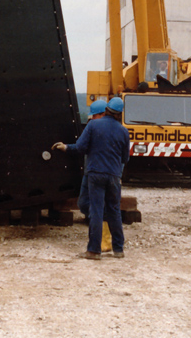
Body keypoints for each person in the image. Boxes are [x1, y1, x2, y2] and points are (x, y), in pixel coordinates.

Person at [53, 97, 130, 260]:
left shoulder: (93, 125)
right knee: (114, 210)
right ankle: (118, 249)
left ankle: (94, 251)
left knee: (96, 210)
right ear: (120, 114)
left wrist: (65, 147)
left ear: (106, 109)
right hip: (114, 175)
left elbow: (80, 148)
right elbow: (125, 158)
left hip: (96, 174)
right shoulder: (124, 131)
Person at [77, 99, 108, 220]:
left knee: (97, 204)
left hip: (98, 172)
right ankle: (96, 219)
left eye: (95, 115)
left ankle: (98, 222)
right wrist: (67, 147)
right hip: (91, 171)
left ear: (103, 114)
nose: (93, 118)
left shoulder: (112, 130)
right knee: (84, 203)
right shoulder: (93, 127)